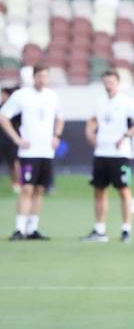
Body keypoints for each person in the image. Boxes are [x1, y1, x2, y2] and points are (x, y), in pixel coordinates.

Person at [80, 70, 134, 243]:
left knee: (124, 191)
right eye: (105, 82)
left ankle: (126, 229)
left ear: (118, 83)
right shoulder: (100, 102)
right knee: (99, 190)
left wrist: (126, 135)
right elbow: (92, 120)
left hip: (120, 154)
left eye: (111, 82)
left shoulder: (127, 102)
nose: (108, 85)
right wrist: (89, 133)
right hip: (101, 153)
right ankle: (100, 230)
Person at [0, 64, 65, 240]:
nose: (42, 80)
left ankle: (32, 228)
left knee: (39, 189)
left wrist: (56, 136)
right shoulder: (22, 96)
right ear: (33, 77)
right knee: (26, 188)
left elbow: (60, 118)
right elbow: (3, 116)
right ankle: (19, 228)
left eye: (45, 76)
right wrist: (17, 138)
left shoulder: (52, 96)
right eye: (40, 76)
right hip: (29, 152)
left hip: (47, 151)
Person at [0, 86, 21, 193]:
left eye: (4, 95)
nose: (2, 97)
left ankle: (17, 183)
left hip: (12, 141)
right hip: (1, 140)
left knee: (14, 163)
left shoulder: (15, 110)